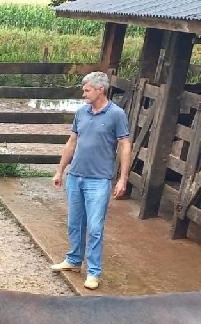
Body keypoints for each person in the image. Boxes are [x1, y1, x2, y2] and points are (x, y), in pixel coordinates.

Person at [51, 71, 131, 290]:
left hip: (99, 179)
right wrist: (60, 170)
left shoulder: (116, 114)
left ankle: (94, 271)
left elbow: (125, 145)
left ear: (100, 90)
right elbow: (72, 141)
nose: (83, 93)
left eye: (87, 90)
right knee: (74, 222)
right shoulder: (81, 112)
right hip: (76, 176)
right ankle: (74, 260)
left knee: (95, 227)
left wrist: (122, 178)